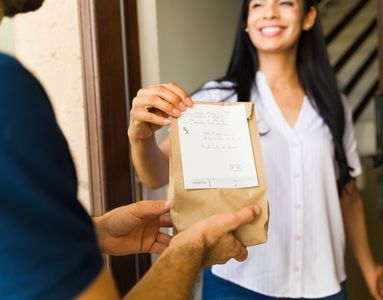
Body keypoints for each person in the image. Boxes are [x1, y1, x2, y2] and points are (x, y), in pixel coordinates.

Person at [0, 1, 261, 299]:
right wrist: (192, 246)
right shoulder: (6, 90)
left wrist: (98, 231)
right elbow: (156, 174)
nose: (271, 13)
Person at [128, 0, 383, 299]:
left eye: (286, 3)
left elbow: (348, 195)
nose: (270, 12)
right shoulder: (219, 98)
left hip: (324, 283)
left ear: (309, 16)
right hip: (239, 282)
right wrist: (140, 137)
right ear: (247, 22)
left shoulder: (333, 104)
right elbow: (156, 175)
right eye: (258, 5)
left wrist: (368, 268)